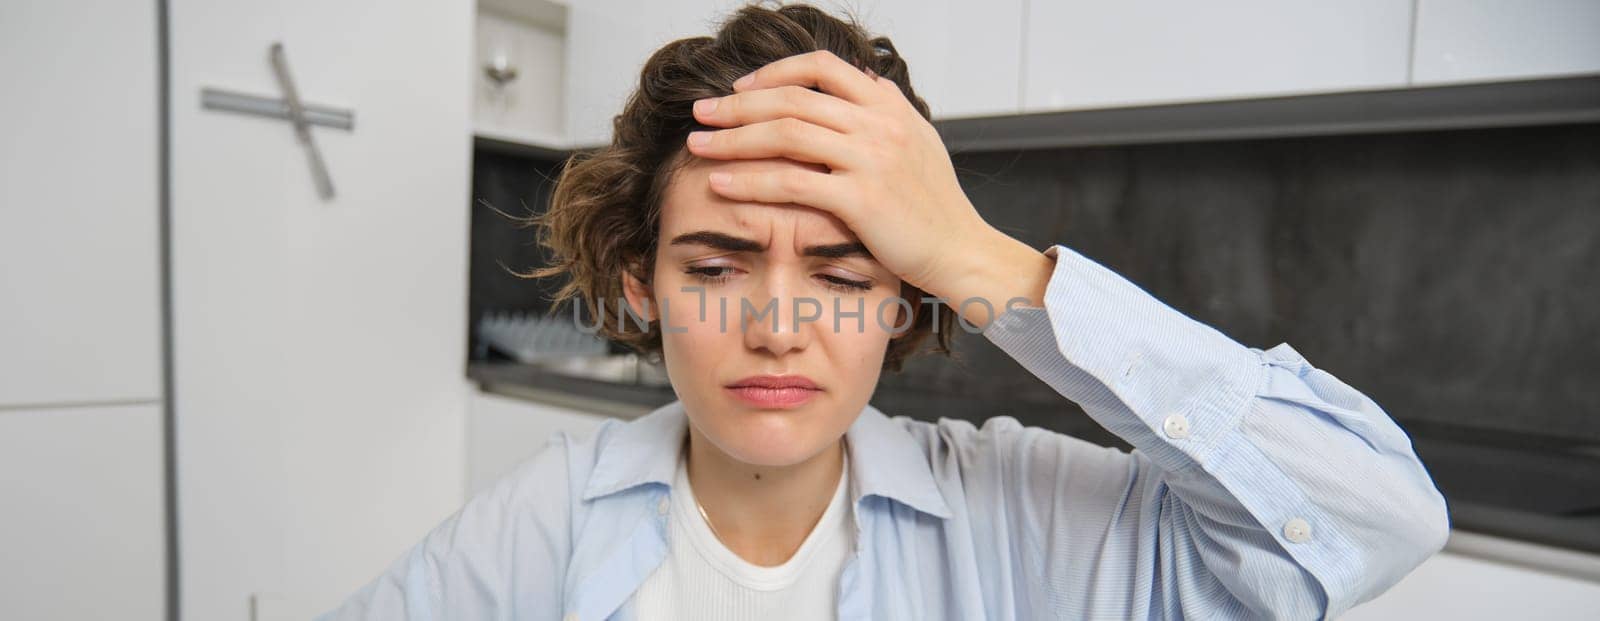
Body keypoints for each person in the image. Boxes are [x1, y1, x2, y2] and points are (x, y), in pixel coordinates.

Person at [320, 3, 1449, 619]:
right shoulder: (543, 524)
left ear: (909, 299)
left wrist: (970, 250)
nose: (776, 325)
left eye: (844, 273)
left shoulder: (1031, 523)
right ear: (638, 286)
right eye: (713, 268)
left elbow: (1379, 520)